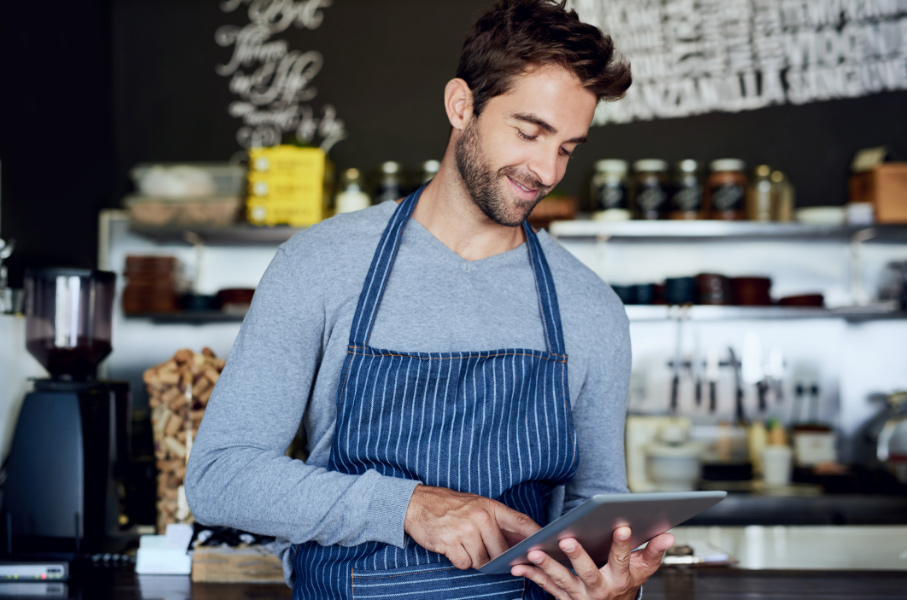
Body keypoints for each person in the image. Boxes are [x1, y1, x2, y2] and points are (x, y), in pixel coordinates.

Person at [186, 1, 674, 598]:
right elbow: (220, 477)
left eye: (568, 148)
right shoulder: (320, 266)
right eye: (529, 132)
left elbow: (599, 510)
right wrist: (407, 506)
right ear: (461, 105)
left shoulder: (589, 307)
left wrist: (615, 585)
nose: (546, 170)